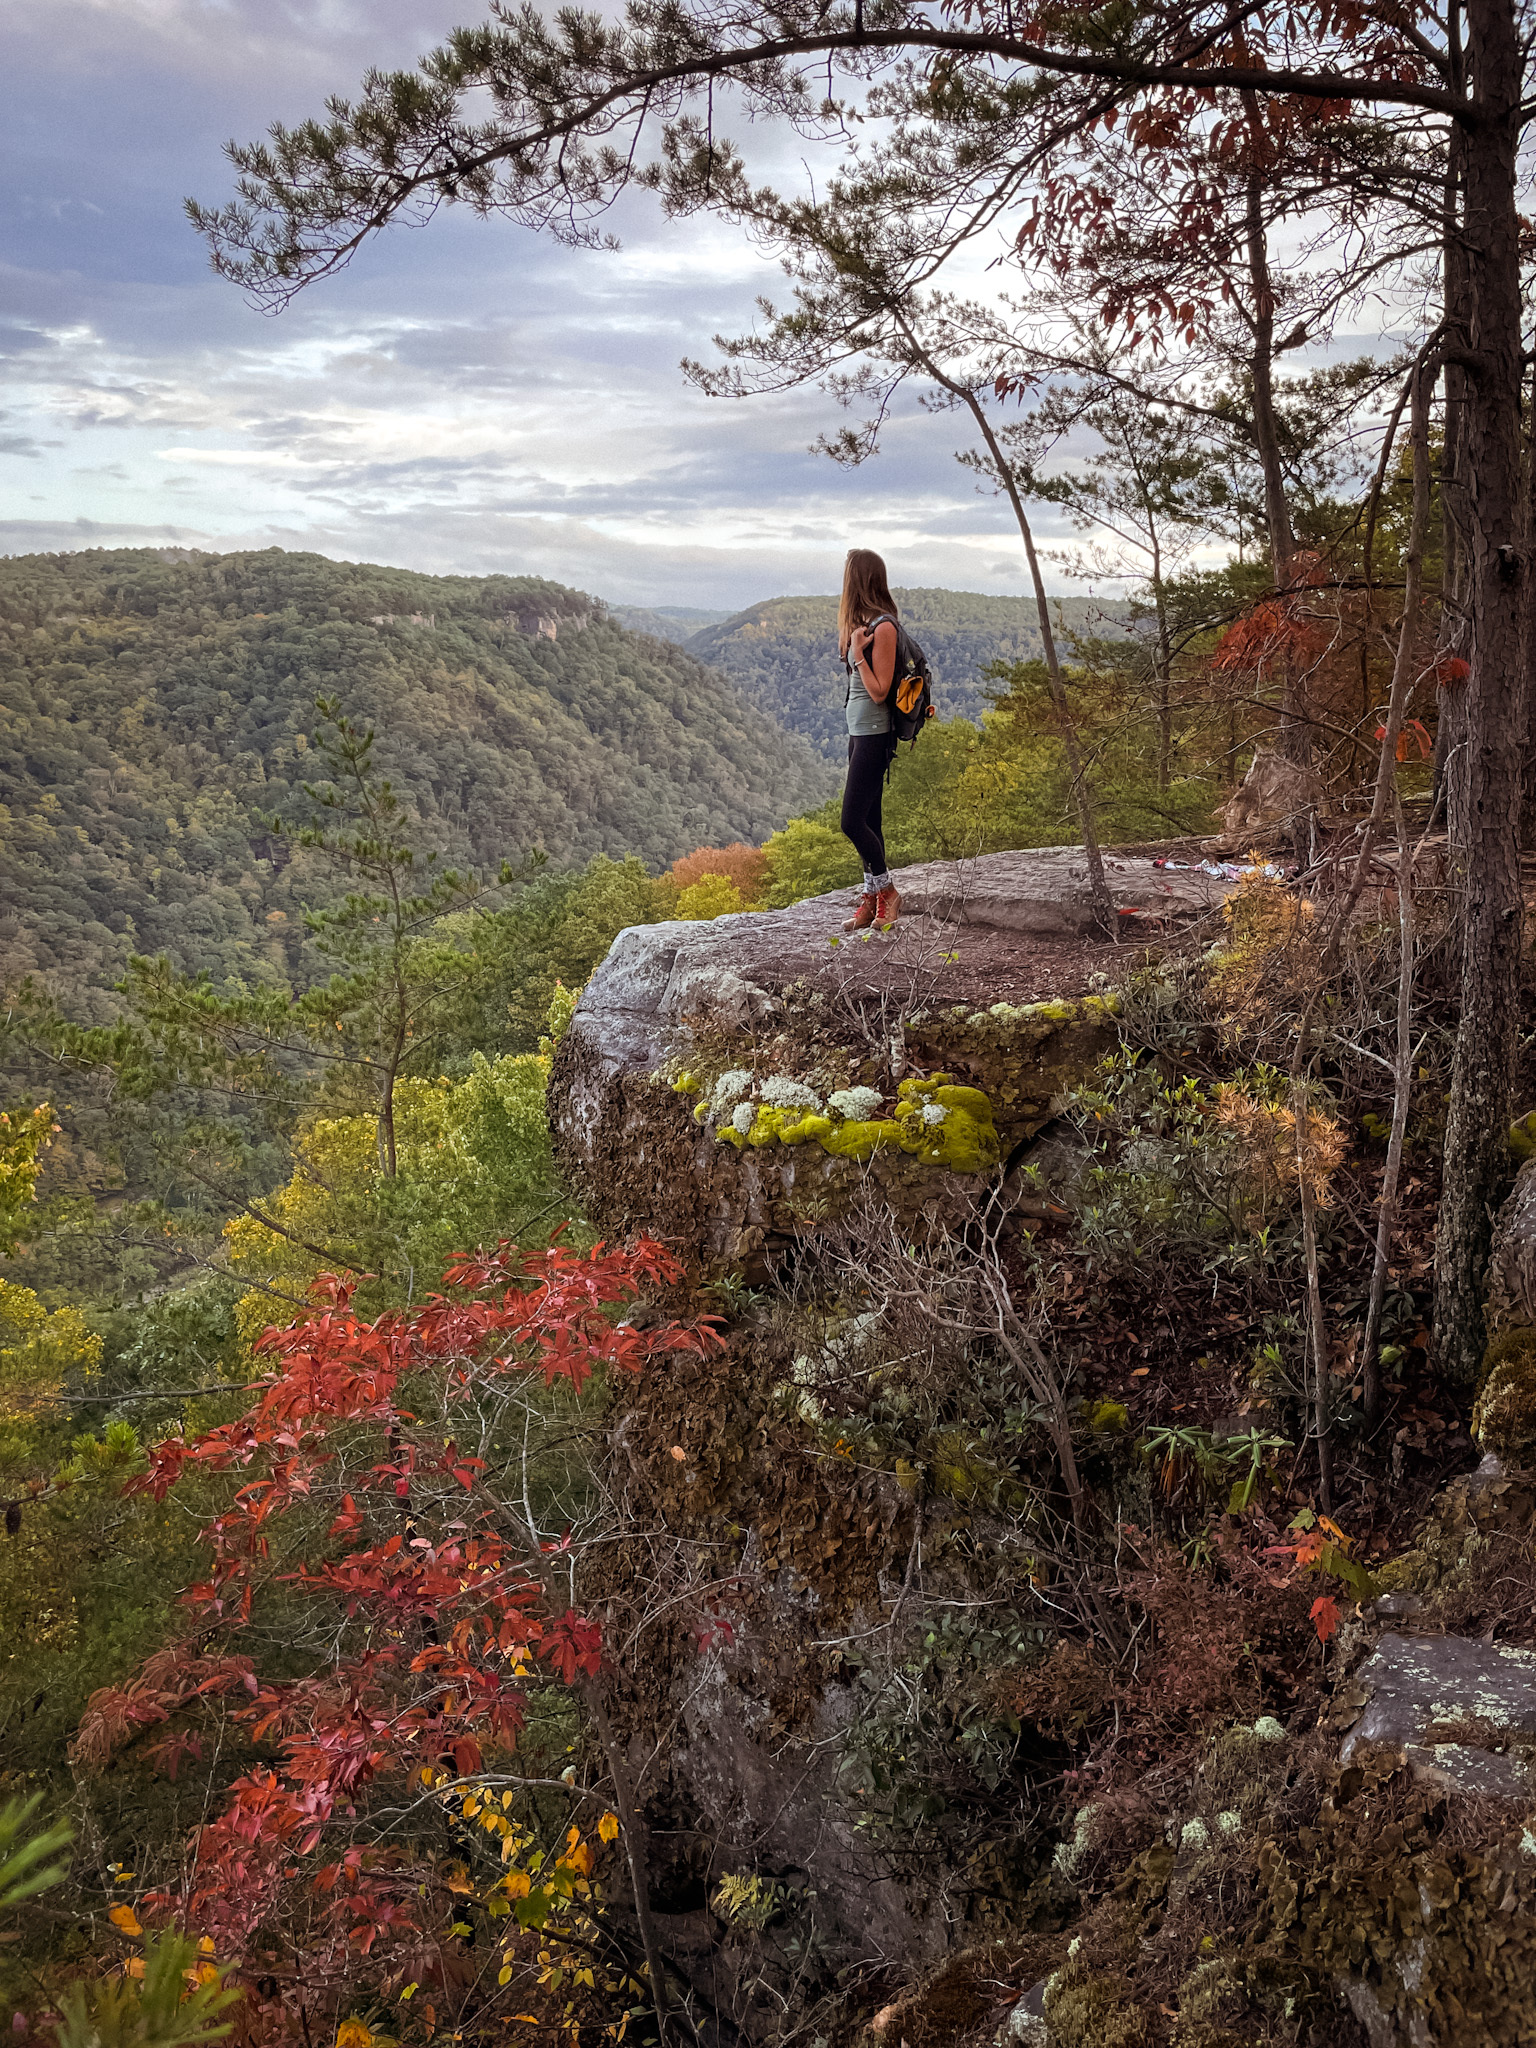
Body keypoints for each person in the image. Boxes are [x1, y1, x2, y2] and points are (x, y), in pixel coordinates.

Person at [837, 547, 903, 932]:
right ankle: (873, 898)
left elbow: (879, 692)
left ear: (858, 580)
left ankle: (888, 892)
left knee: (851, 822)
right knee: (871, 822)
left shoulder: (886, 628)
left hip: (875, 735)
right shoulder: (867, 626)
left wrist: (859, 656)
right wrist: (853, 646)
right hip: (858, 733)